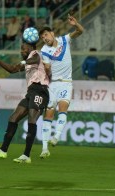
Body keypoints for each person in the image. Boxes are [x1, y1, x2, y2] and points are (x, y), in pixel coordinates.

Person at [0, 42, 51, 163]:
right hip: (31, 91)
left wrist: (25, 62)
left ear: (31, 48)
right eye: (21, 49)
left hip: (40, 90)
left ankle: (26, 156)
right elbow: (12, 69)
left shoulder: (36, 54)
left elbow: (35, 59)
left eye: (23, 49)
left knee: (32, 119)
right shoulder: (26, 62)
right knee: (13, 117)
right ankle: (3, 150)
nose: (21, 51)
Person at [38, 14, 84, 158]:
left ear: (52, 33)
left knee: (63, 108)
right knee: (49, 114)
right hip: (53, 85)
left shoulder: (65, 39)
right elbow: (47, 68)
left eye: (46, 35)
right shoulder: (45, 50)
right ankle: (44, 148)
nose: (45, 38)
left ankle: (56, 137)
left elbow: (81, 31)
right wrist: (46, 68)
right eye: (42, 37)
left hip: (66, 83)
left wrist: (75, 24)